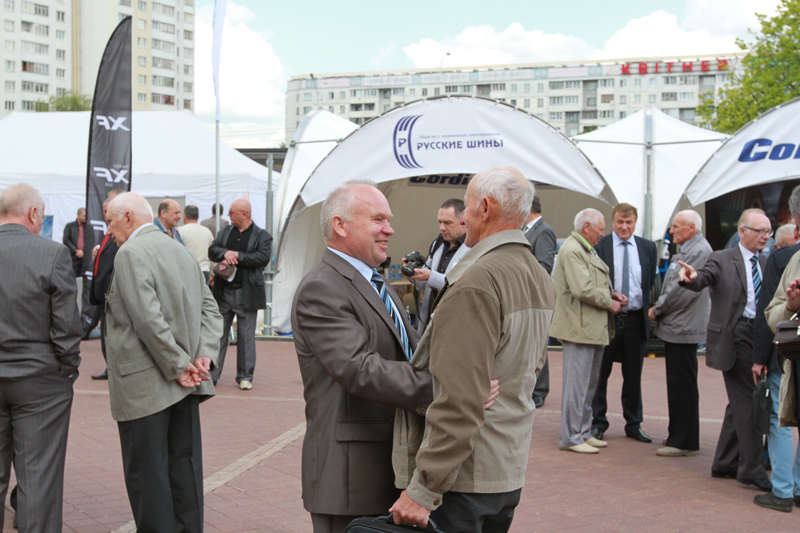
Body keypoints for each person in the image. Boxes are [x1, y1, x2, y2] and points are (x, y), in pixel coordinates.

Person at [390, 167, 555, 532]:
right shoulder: (537, 275)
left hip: (463, 477)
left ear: (485, 208)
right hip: (506, 465)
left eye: (465, 207)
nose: (462, 218)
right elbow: (530, 371)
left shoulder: (478, 279)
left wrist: (424, 488)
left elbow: (460, 398)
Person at [291, 181, 435, 533]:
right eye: (378, 219)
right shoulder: (322, 287)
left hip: (386, 467)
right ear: (340, 225)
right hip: (350, 478)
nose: (390, 229)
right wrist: (443, 387)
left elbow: (412, 351)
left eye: (388, 220)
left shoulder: (374, 280)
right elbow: (359, 369)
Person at [103, 192, 222, 533]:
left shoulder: (130, 253)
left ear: (128, 218)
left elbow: (147, 318)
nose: (108, 230)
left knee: (148, 477)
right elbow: (210, 310)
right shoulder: (179, 250)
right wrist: (203, 356)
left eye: (110, 221)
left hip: (147, 387)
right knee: (184, 471)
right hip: (185, 384)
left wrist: (180, 365)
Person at [0, 184, 82, 532]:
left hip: (32, 374)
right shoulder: (51, 253)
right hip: (40, 379)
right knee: (39, 477)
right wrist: (67, 368)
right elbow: (67, 324)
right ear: (33, 213)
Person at [678, 208, 772, 492]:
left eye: (768, 231)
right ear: (742, 231)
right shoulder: (721, 258)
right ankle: (752, 469)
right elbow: (703, 277)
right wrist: (691, 277)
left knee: (740, 400)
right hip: (734, 335)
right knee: (750, 400)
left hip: (759, 334)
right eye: (760, 231)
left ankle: (725, 462)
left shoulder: (766, 262)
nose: (765, 236)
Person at [551, 208, 625, 454]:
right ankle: (571, 437)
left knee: (588, 385)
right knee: (577, 386)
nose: (603, 234)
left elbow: (590, 284)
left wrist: (611, 294)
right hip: (579, 327)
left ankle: (583, 432)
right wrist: (609, 301)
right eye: (600, 229)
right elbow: (582, 289)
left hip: (590, 327)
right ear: (586, 227)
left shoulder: (584, 248)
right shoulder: (573, 250)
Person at [591, 203, 657, 444]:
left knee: (633, 376)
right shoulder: (601, 246)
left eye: (629, 222)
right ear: (613, 222)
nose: (624, 227)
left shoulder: (648, 247)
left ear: (635, 223)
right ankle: (597, 423)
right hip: (607, 320)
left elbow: (649, 281)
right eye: (620, 222)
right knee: (601, 374)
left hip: (636, 320)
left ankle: (634, 423)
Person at [649, 210, 711, 457]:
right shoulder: (691, 249)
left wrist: (658, 308)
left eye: (676, 226)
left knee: (682, 385)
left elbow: (682, 290)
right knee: (679, 384)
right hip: (679, 324)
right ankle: (679, 435)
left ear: (691, 228)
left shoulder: (698, 251)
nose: (672, 231)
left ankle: (683, 441)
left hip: (683, 325)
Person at [753, 186, 800, 512]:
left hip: (789, 356)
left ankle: (783, 489)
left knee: (780, 420)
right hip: (790, 355)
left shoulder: (786, 258)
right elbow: (774, 311)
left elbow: (768, 314)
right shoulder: (791, 259)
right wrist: (791, 307)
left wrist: (760, 358)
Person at [208, 199, 271, 390]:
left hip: (247, 293)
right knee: (218, 335)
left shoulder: (262, 235)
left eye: (231, 212)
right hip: (223, 292)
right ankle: (212, 375)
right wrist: (225, 253)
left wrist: (238, 256)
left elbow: (263, 258)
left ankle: (245, 376)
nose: (228, 215)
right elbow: (212, 250)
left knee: (246, 337)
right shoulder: (225, 231)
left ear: (244, 214)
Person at [406, 198, 470, 334]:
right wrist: (413, 274)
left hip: (453, 324)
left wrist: (430, 276)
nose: (442, 228)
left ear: (463, 221)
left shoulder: (473, 247)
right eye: (440, 222)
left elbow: (463, 286)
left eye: (448, 223)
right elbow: (423, 285)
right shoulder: (438, 243)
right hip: (429, 322)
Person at [523, 195, 557, 408]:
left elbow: (544, 266)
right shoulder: (525, 230)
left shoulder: (544, 230)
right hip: (524, 297)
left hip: (535, 298)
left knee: (537, 344)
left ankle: (540, 390)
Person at [88, 189, 126, 380]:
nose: (105, 215)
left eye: (108, 211)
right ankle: (110, 367)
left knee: (111, 335)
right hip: (103, 295)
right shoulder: (107, 233)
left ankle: (114, 369)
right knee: (105, 334)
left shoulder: (121, 234)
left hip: (112, 295)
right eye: (103, 211)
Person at [180, 204, 215, 283]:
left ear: (184, 216)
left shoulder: (180, 231)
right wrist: (213, 274)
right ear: (198, 217)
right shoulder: (207, 232)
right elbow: (212, 254)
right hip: (204, 270)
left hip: (188, 271)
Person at [62, 207, 86, 278]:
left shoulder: (88, 227)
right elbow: (66, 240)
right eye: (84, 216)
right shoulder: (69, 226)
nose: (85, 218)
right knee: (72, 277)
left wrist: (83, 252)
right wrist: (76, 251)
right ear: (78, 215)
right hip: (73, 257)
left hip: (84, 258)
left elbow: (90, 241)